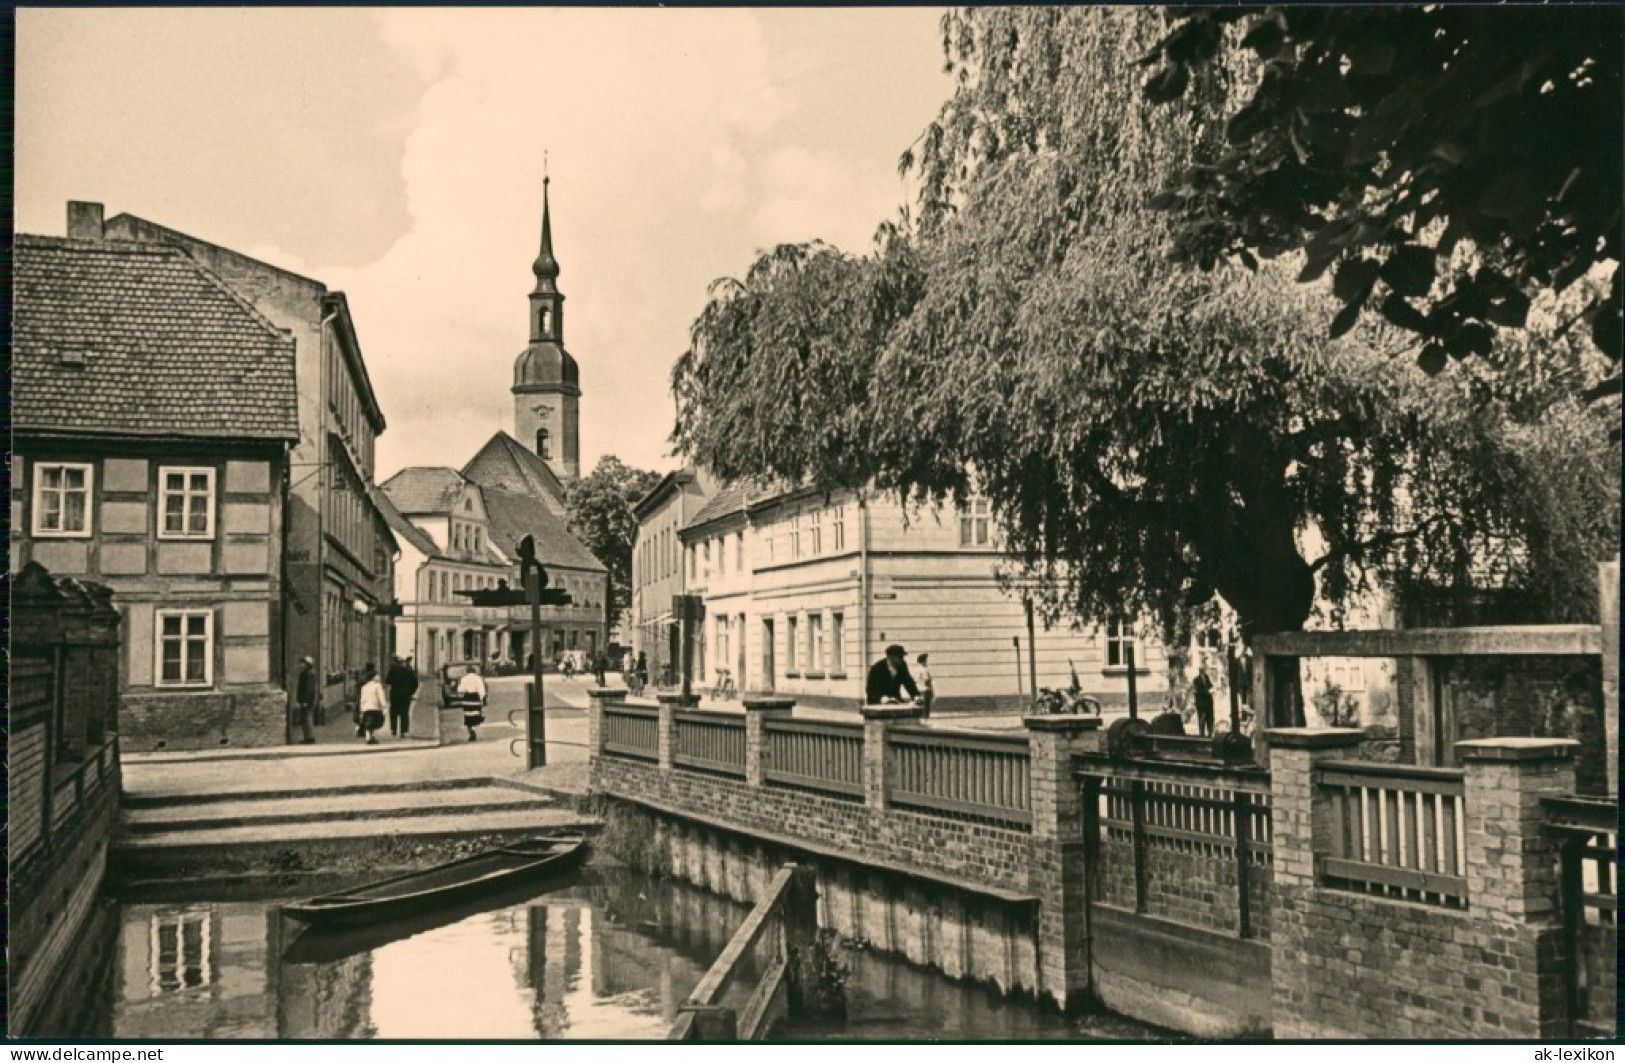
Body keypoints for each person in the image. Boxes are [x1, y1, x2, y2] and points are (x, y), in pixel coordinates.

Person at [386, 656, 419, 737]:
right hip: (405, 695)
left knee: (393, 712)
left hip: (394, 694)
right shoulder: (409, 671)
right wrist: (411, 692)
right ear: (403, 663)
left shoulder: (392, 671)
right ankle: (403, 731)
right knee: (404, 713)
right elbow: (416, 683)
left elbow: (387, 681)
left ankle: (394, 730)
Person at [457, 664, 489, 742]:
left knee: (468, 715)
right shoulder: (478, 678)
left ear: (467, 671)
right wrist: (483, 698)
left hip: (467, 698)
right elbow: (481, 690)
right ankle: (478, 721)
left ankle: (471, 731)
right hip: (475, 697)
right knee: (476, 713)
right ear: (474, 671)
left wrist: (461, 692)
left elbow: (460, 689)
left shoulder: (464, 678)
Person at [357, 664, 387, 745]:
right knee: (374, 723)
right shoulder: (377, 686)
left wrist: (361, 709)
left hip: (366, 708)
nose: (379, 677)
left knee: (368, 723)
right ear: (373, 677)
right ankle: (369, 738)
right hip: (375, 708)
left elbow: (362, 699)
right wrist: (384, 706)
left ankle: (369, 737)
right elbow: (381, 697)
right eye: (377, 676)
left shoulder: (364, 686)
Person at [293, 656, 317, 744]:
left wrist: (305, 701)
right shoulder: (307, 673)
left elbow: (308, 689)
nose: (301, 665)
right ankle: (307, 737)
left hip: (307, 701)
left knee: (307, 718)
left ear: (307, 665)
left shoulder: (308, 674)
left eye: (303, 663)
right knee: (305, 718)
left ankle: (309, 738)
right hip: (305, 701)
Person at [1192, 663, 1216, 737]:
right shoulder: (1196, 680)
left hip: (1208, 702)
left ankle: (1210, 733)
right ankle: (1202, 734)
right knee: (1202, 719)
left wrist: (1212, 689)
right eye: (1203, 670)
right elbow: (1198, 691)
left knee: (1210, 719)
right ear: (1200, 671)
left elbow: (1210, 686)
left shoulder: (1207, 678)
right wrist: (1208, 692)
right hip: (1201, 703)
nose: (1205, 671)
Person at [915, 652, 935, 717]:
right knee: (926, 707)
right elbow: (927, 681)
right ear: (923, 661)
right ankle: (925, 719)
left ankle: (922, 718)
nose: (926, 662)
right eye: (926, 661)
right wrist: (932, 691)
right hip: (925, 690)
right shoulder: (924, 670)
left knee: (920, 706)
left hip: (918, 690)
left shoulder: (916, 669)